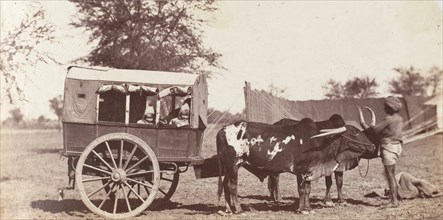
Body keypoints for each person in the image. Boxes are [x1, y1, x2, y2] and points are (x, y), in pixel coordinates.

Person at [372, 96, 404, 208]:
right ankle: (394, 197)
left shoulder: (389, 119)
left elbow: (375, 131)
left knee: (390, 175)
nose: (384, 108)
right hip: (397, 147)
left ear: (389, 107)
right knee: (391, 174)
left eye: (385, 106)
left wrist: (369, 128)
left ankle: (394, 201)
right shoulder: (399, 118)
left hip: (389, 147)